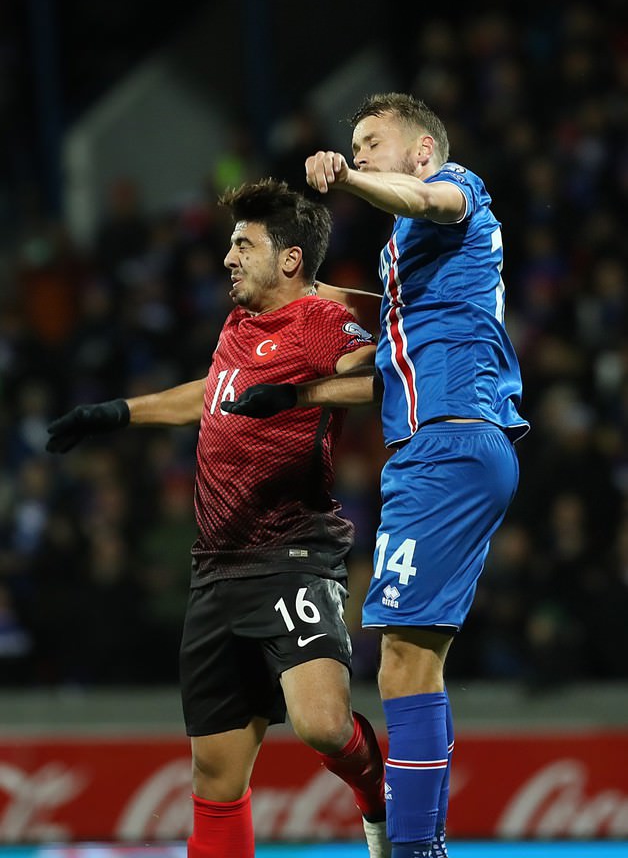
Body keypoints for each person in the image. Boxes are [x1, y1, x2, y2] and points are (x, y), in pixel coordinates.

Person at [46, 179, 391, 858]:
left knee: (322, 725)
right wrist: (118, 413)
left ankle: (378, 791)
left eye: (244, 245)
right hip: (216, 574)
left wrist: (299, 394)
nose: (229, 258)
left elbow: (382, 377)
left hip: (291, 557)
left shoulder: (321, 322)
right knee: (216, 777)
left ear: (289, 259)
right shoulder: (238, 325)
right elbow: (215, 394)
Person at [225, 94, 530, 858]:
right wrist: (296, 394)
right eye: (354, 146)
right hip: (438, 448)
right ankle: (423, 844)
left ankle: (417, 850)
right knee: (412, 663)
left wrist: (349, 181)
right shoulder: (418, 267)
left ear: (422, 151)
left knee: (402, 666)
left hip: (449, 443)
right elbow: (386, 369)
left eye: (371, 142)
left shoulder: (455, 189)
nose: (358, 152)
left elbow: (426, 199)